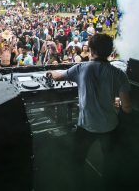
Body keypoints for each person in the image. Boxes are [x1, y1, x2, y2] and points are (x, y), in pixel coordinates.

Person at [47, 34, 131, 190]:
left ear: (91, 51)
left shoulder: (81, 68)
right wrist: (116, 102)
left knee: (77, 160)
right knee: (110, 162)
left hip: (86, 127)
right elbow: (127, 107)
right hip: (110, 127)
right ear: (110, 51)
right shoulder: (120, 74)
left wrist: (51, 72)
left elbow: (59, 76)